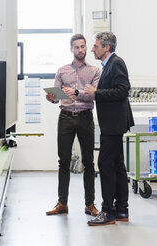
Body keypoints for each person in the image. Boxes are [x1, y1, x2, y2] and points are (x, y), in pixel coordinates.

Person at [45, 34, 101, 217]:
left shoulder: (94, 71)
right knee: (63, 161)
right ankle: (62, 203)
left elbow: (94, 95)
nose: (80, 50)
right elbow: (57, 97)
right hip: (66, 117)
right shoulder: (62, 71)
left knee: (88, 162)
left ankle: (90, 204)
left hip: (85, 117)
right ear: (71, 49)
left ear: (86, 48)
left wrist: (77, 92)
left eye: (83, 46)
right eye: (76, 47)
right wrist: (53, 98)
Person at [85, 32, 134, 226]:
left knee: (105, 165)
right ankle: (121, 210)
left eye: (95, 46)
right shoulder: (108, 65)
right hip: (112, 124)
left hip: (113, 125)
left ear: (107, 47)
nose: (92, 49)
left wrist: (96, 92)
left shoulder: (116, 63)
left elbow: (123, 90)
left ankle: (108, 212)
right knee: (117, 166)